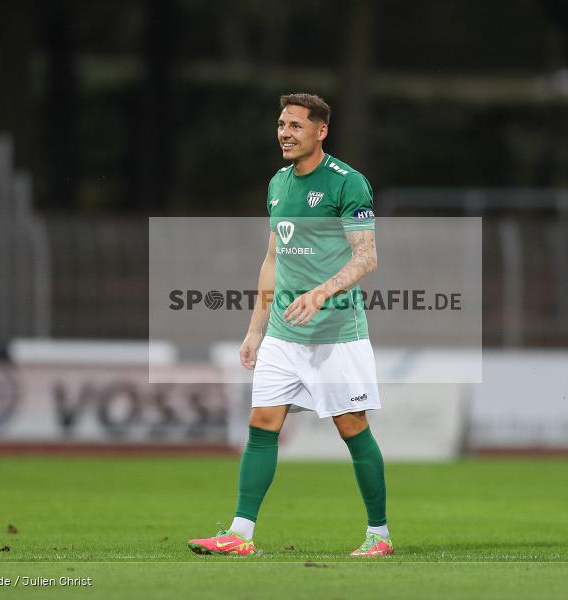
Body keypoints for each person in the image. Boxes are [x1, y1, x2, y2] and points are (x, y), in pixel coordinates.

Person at [187, 93, 392, 557]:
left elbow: (367, 256)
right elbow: (273, 259)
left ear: (320, 131)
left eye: (296, 125)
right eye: (281, 124)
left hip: (335, 333)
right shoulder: (278, 183)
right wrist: (255, 328)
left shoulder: (347, 184)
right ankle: (240, 534)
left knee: (352, 426)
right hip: (283, 332)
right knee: (262, 422)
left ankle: (379, 535)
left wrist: (320, 292)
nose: (284, 132)